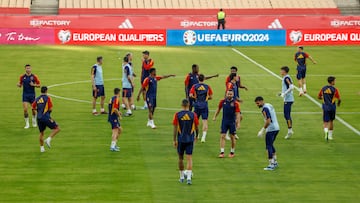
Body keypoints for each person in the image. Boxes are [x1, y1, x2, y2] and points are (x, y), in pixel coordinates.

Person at [173, 99, 199, 185]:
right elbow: (196, 127)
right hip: (190, 139)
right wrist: (197, 135)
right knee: (189, 158)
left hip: (181, 139)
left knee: (180, 158)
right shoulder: (193, 115)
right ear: (189, 105)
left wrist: (174, 140)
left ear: (181, 105)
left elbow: (175, 128)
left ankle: (181, 177)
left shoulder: (177, 115)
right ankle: (188, 178)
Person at [213, 89, 241, 158]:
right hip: (224, 121)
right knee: (222, 136)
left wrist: (238, 123)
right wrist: (214, 116)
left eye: (230, 94)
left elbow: (237, 114)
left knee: (232, 137)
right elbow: (218, 109)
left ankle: (232, 152)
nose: (229, 95)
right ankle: (222, 152)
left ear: (233, 95)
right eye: (228, 94)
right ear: (226, 94)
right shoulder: (222, 101)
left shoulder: (235, 103)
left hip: (232, 122)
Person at [31, 86, 60, 153]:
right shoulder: (48, 98)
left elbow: (33, 107)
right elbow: (50, 109)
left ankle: (42, 148)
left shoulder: (37, 98)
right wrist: (48, 114)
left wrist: (37, 113)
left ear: (41, 91)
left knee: (41, 133)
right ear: (46, 91)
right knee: (57, 128)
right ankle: (48, 139)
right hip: (46, 117)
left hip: (39, 118)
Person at [255, 96, 280, 171]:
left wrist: (262, 130)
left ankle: (271, 164)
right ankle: (275, 162)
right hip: (277, 128)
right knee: (271, 144)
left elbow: (268, 121)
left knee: (268, 146)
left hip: (271, 129)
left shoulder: (264, 109)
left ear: (262, 101)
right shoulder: (269, 105)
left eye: (258, 103)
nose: (257, 105)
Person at [189, 74, 213, 143]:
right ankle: (203, 137)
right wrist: (206, 98)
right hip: (204, 106)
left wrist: (195, 98)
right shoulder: (207, 87)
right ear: (204, 79)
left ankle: (197, 135)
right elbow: (211, 96)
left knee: (195, 121)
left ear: (198, 79)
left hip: (197, 105)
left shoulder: (194, 86)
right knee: (205, 121)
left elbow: (190, 95)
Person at [17, 64, 41, 129]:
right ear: (25, 69)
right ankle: (27, 124)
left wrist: (33, 85)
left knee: (34, 110)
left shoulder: (34, 76)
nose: (28, 69)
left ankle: (34, 121)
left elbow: (39, 85)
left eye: (29, 68)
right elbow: (20, 84)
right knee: (25, 109)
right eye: (27, 68)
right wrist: (18, 85)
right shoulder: (22, 77)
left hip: (32, 95)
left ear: (31, 69)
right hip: (25, 95)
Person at [317, 76, 341, 141]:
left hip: (325, 106)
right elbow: (339, 99)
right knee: (331, 121)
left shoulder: (323, 89)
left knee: (325, 122)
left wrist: (323, 98)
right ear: (332, 82)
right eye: (335, 81)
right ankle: (330, 136)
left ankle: (326, 132)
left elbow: (318, 96)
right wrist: (338, 104)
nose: (335, 82)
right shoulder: (335, 90)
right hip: (332, 107)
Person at [280, 66, 295, 139]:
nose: (280, 72)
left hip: (288, 99)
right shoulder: (286, 77)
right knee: (287, 115)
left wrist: (284, 93)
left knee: (286, 115)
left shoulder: (286, 78)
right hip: (288, 99)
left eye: (281, 70)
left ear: (284, 71)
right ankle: (290, 130)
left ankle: (289, 131)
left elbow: (291, 87)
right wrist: (282, 93)